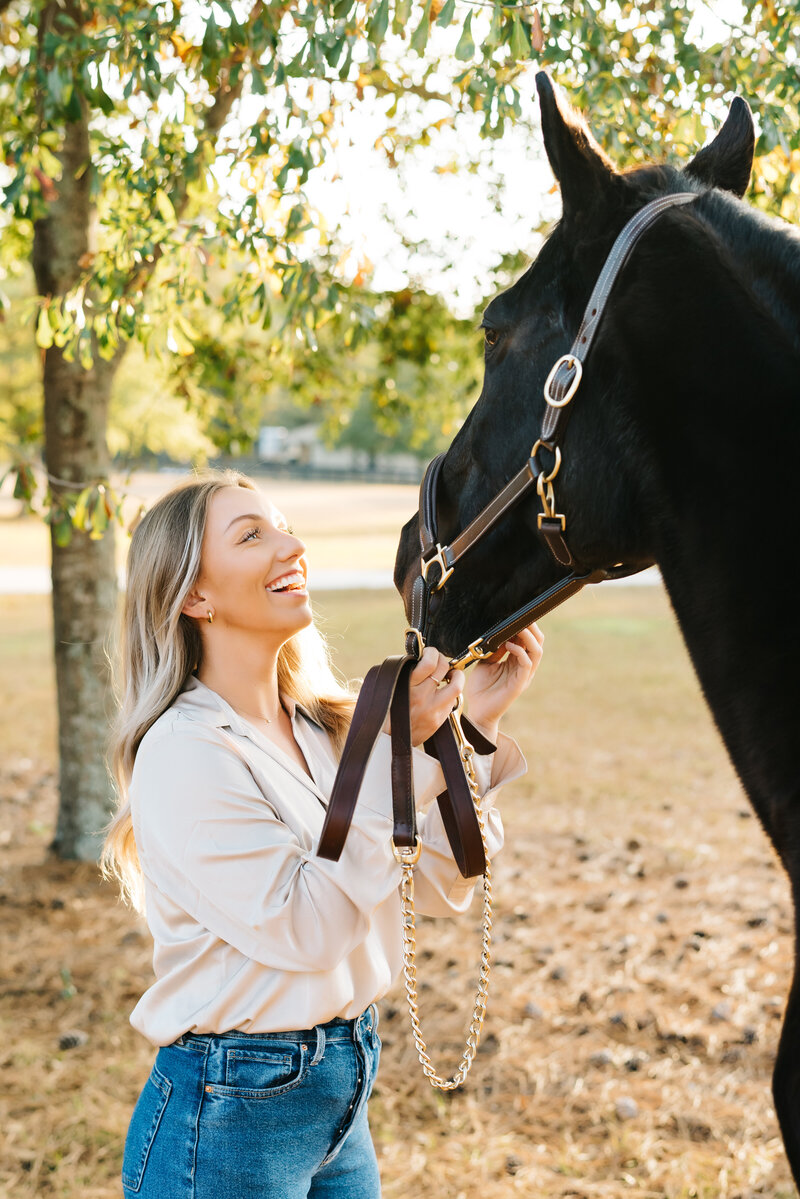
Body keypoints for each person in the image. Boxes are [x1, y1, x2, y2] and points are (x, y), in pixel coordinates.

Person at [102, 468, 543, 1199]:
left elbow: (436, 882)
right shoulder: (185, 751)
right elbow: (307, 927)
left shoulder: (327, 728)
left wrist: (474, 726)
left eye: (284, 525)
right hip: (230, 1115)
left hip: (340, 1094)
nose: (292, 546)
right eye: (253, 535)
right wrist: (397, 761)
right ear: (193, 596)